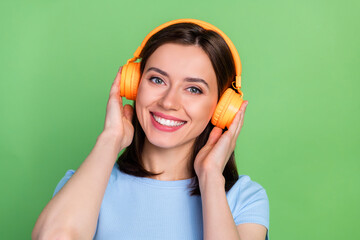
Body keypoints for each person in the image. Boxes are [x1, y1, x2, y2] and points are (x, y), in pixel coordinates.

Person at [32, 19, 269, 240]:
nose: (168, 102)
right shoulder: (85, 183)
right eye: (157, 80)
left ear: (222, 107)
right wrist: (110, 140)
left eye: (194, 89)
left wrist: (210, 178)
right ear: (134, 84)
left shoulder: (244, 199)